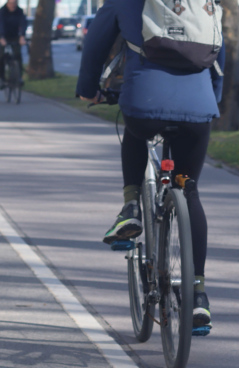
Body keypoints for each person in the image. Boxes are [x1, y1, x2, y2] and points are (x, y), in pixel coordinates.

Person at [75, 0, 224, 333]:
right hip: (197, 113)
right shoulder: (201, 1)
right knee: (188, 190)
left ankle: (130, 207)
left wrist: (88, 91)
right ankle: (198, 294)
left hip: (145, 106)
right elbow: (218, 53)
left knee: (135, 132)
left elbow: (95, 44)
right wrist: (211, 100)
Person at [0, 0, 27, 90]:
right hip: (4, 36)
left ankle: (19, 77)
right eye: (11, 3)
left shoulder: (19, 11)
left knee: (18, 55)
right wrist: (1, 37)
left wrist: (22, 36)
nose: (13, 5)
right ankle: (1, 78)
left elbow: (23, 23)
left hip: (15, 36)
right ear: (7, 3)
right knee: (1, 56)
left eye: (15, 3)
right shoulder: (2, 12)